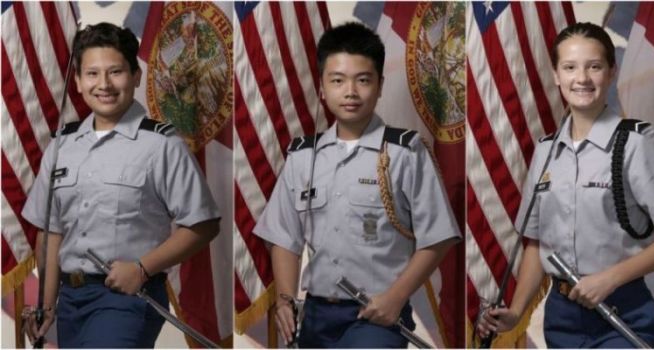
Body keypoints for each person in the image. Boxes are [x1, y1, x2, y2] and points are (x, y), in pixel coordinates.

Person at [476, 22, 654, 348]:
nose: (581, 78)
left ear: (611, 72)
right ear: (556, 75)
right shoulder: (545, 151)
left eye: (594, 66)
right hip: (561, 315)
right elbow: (537, 244)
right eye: (570, 67)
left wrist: (610, 278)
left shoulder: (636, 142)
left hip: (622, 310)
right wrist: (517, 309)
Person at [253, 22, 461, 348]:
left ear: (379, 86)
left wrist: (396, 298)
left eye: (363, 80)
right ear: (322, 88)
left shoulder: (404, 152)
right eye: (337, 81)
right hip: (316, 315)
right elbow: (283, 236)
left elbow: (438, 235)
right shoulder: (302, 156)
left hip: (376, 315)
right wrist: (284, 299)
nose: (350, 91)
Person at [21, 22, 221, 348]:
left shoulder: (160, 144)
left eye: (115, 72)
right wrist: (45, 303)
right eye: (92, 74)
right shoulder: (62, 145)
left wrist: (142, 269)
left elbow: (204, 224)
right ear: (78, 81)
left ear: (135, 76)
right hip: (70, 300)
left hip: (127, 296)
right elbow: (51, 231)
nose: (104, 84)